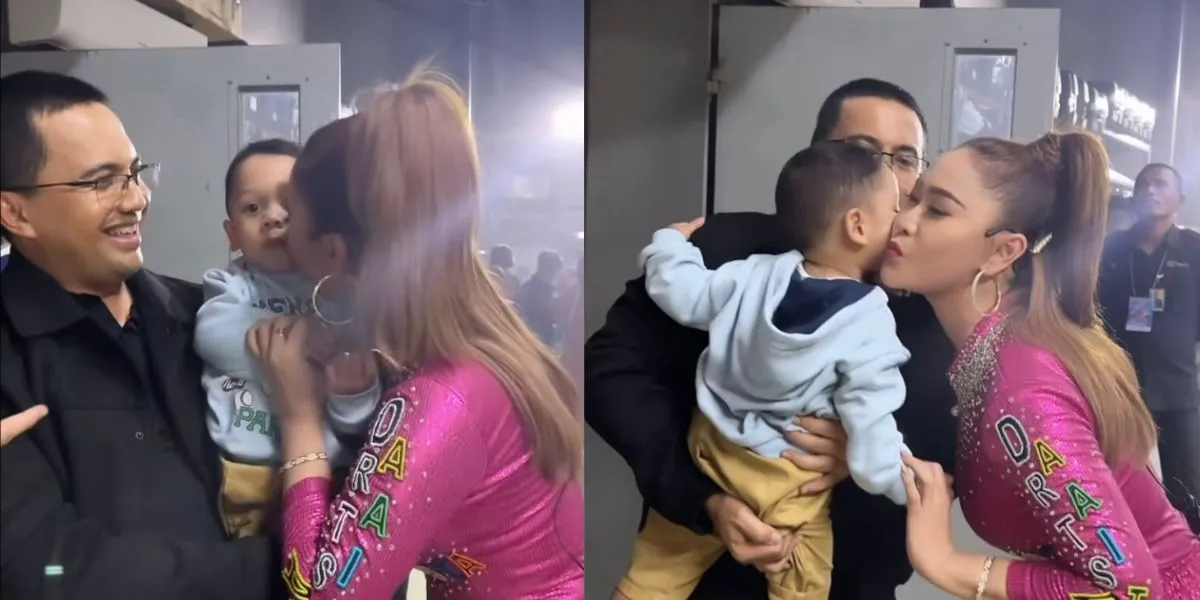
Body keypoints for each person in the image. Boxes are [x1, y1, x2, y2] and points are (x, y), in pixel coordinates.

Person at [587, 78, 957, 600]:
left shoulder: (934, 303)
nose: (889, 178)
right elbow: (609, 366)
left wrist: (858, 452)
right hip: (705, 569)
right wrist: (702, 497)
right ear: (820, 155)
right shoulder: (730, 250)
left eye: (905, 159)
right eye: (862, 151)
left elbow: (946, 462)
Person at [248, 69, 585, 598]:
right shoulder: (479, 344)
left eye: (291, 217)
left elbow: (322, 591)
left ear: (333, 252)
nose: (278, 231)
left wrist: (299, 416)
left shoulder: (441, 398)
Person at [0, 70, 280, 598]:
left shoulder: (210, 316)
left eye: (133, 172)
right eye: (100, 182)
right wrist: (290, 570)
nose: (136, 199)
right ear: (15, 213)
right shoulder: (11, 360)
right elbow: (51, 569)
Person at [890, 132, 1200, 599]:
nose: (904, 221)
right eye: (913, 199)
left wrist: (946, 564)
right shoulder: (1009, 343)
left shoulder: (1022, 387)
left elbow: (1131, 591)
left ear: (1003, 252)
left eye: (936, 210)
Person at [619, 142, 911, 600]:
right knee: (805, 585)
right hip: (787, 484)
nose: (902, 221)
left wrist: (670, 245)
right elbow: (873, 439)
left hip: (709, 456)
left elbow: (683, 293)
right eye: (894, 210)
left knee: (652, 577)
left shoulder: (753, 274)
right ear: (857, 225)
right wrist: (913, 484)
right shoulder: (870, 324)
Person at [196, 138, 382, 539]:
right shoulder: (235, 285)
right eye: (253, 208)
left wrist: (353, 395)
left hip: (331, 470)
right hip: (248, 473)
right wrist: (298, 347)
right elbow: (212, 335)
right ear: (232, 234)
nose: (273, 218)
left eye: (289, 205)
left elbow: (358, 405)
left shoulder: (337, 294)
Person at [1097, 163, 1200, 533]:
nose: (1150, 191)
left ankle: (1190, 556)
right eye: (1143, 185)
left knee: (1185, 488)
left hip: (1176, 388)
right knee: (1115, 482)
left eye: (1160, 184)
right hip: (1118, 387)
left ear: (1179, 199)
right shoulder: (1111, 249)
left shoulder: (1194, 250)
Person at [518, 249, 565, 344]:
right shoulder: (540, 292)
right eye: (556, 270)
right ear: (550, 269)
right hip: (535, 342)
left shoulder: (527, 287)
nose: (556, 275)